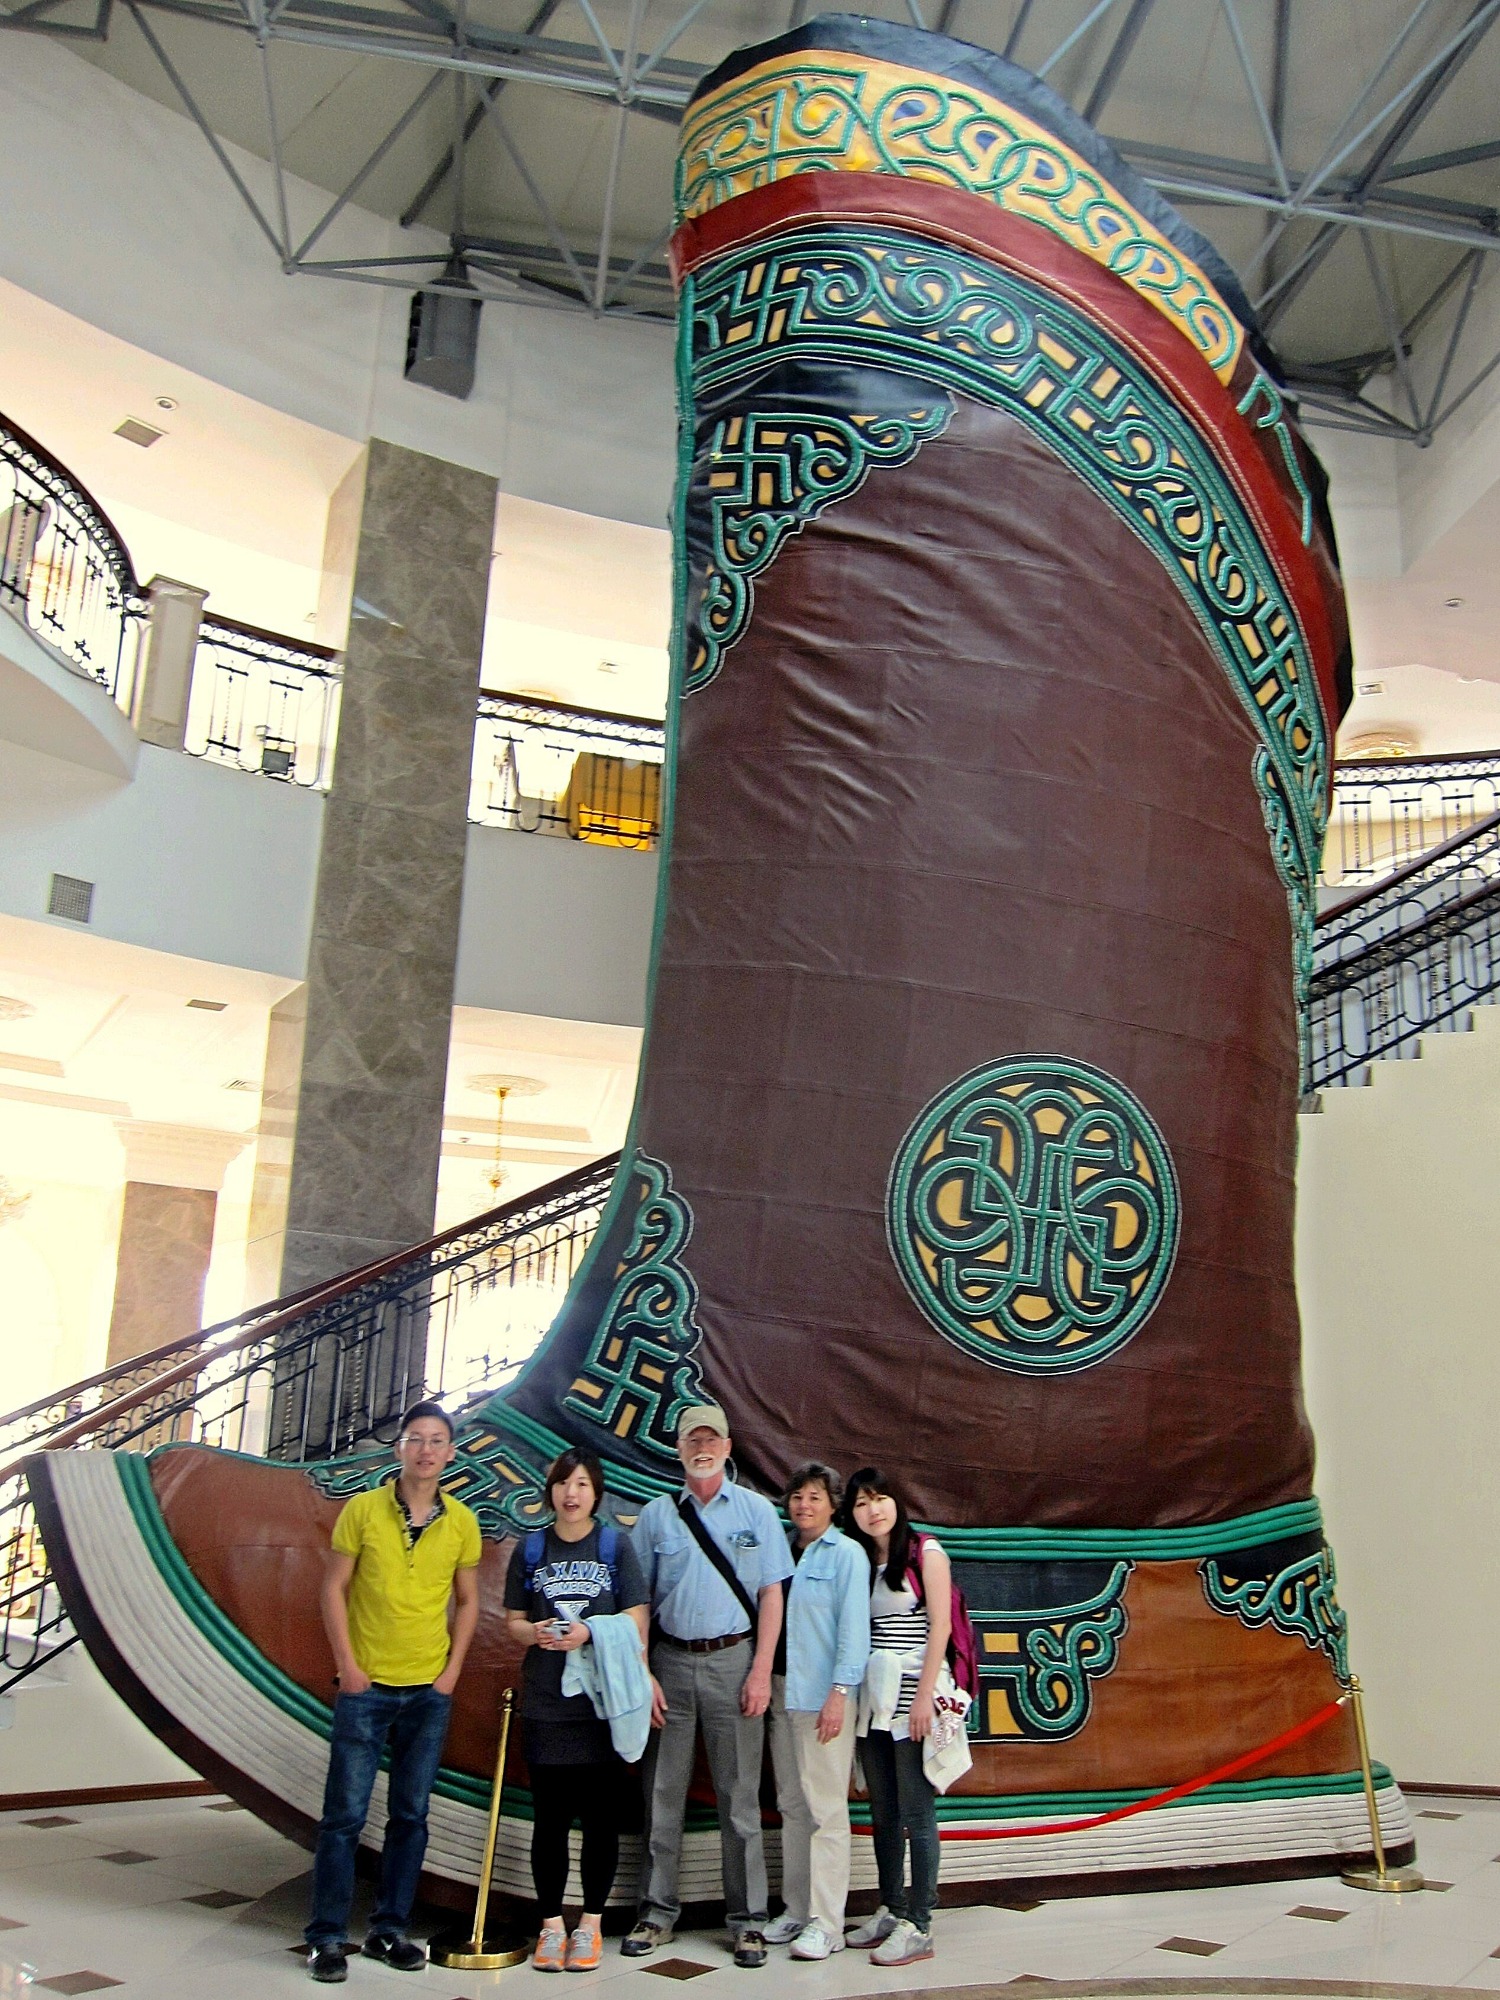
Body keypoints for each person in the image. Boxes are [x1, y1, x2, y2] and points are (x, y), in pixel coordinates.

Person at [305, 1401, 481, 1984]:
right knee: (344, 1816)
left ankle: (390, 1929)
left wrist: (451, 1672)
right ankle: (327, 1937)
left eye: (436, 1441)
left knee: (410, 1814)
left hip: (428, 1689)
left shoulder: (462, 1521)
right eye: (415, 1439)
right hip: (366, 1686)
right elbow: (333, 1588)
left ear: (450, 1453)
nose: (426, 1450)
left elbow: (469, 1600)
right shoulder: (362, 1510)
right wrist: (347, 1666)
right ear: (399, 1448)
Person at [624, 1403, 793, 1968]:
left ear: (727, 1447)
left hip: (735, 1662)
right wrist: (643, 1673)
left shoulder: (757, 1512)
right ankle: (656, 1913)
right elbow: (637, 1603)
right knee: (660, 1797)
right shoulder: (656, 1517)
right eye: (692, 1440)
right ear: (679, 1450)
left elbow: (772, 1594)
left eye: (711, 1439)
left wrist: (761, 1670)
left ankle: (747, 1922)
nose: (702, 1448)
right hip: (670, 1664)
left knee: (740, 1800)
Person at [503, 1448, 650, 1973]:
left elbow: (636, 1617)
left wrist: (591, 1632)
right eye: (564, 1483)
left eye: (583, 1484)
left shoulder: (614, 1545)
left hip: (601, 1707)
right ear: (551, 1491)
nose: (572, 1493)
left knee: (600, 1822)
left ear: (596, 1493)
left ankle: (590, 1924)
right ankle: (550, 1926)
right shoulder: (531, 1548)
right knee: (549, 1821)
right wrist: (534, 1632)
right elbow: (513, 1621)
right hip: (546, 1704)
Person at [838, 1466, 951, 1970]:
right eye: (861, 1503)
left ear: (897, 1502)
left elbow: (940, 1627)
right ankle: (892, 1908)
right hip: (874, 1699)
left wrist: (924, 1697)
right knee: (883, 1810)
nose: (872, 1510)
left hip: (914, 1696)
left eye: (880, 1498)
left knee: (917, 1813)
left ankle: (919, 1924)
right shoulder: (859, 1560)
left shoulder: (926, 1552)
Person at [763, 1463, 870, 1962]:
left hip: (823, 1697)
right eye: (797, 1497)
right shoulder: (781, 1549)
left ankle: (827, 1924)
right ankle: (797, 1909)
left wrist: (839, 1693)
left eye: (815, 1497)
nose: (804, 1505)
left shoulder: (846, 1554)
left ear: (833, 1505)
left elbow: (854, 1631)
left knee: (826, 1810)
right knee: (792, 1804)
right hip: (781, 1691)